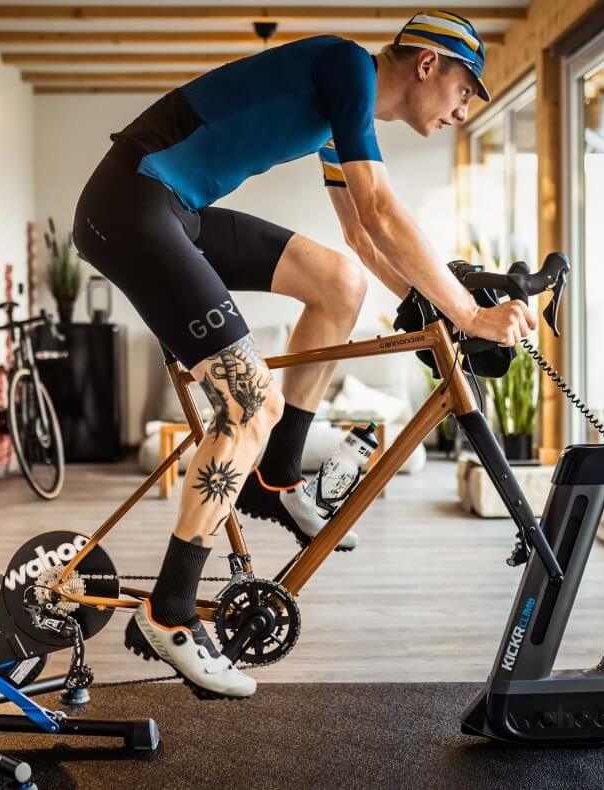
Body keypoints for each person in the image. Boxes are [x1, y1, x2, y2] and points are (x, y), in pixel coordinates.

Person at [71, 11, 538, 699]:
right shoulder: (347, 65)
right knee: (247, 402)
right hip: (130, 203)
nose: (464, 109)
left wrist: (429, 310)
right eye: (466, 89)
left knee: (337, 283)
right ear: (428, 65)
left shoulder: (343, 115)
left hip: (178, 209)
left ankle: (277, 474)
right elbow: (379, 208)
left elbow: (359, 239)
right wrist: (467, 312)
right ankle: (168, 614)